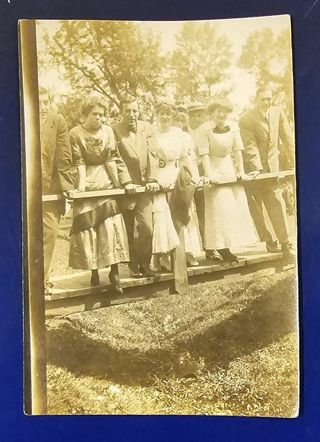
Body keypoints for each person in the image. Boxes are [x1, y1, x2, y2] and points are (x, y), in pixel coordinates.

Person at [68, 95, 134, 293]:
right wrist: (81, 187)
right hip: (86, 181)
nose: (99, 118)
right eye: (95, 114)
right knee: (89, 229)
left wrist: (118, 185)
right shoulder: (75, 133)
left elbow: (111, 159)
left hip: (105, 182)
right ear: (85, 114)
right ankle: (94, 271)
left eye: (102, 115)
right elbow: (79, 161)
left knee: (111, 228)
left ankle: (115, 273)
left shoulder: (107, 132)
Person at [196, 97, 258, 262]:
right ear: (212, 113)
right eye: (218, 111)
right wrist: (210, 176)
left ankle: (230, 245)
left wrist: (241, 171)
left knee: (232, 209)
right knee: (219, 210)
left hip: (229, 168)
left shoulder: (233, 127)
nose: (221, 114)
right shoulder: (204, 130)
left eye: (224, 111)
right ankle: (222, 248)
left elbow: (237, 151)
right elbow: (204, 154)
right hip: (214, 170)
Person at [239, 87, 295, 257]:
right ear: (256, 99)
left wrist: (295, 160)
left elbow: (288, 138)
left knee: (277, 201)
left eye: (269, 99)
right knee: (257, 207)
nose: (266, 102)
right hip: (253, 169)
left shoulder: (278, 113)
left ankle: (285, 242)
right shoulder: (246, 119)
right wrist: (257, 169)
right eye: (263, 99)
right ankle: (268, 241)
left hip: (272, 167)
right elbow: (250, 146)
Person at [152, 100, 203, 271]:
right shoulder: (151, 134)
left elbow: (186, 158)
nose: (165, 117)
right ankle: (164, 255)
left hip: (178, 175)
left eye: (168, 113)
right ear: (156, 115)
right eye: (161, 113)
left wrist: (194, 177)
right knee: (163, 216)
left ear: (172, 115)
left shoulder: (179, 134)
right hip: (160, 175)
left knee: (184, 211)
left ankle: (188, 252)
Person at [113, 96, 160, 278]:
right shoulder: (114, 130)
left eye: (135, 110)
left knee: (147, 227)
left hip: (145, 187)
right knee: (128, 228)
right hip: (127, 188)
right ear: (121, 112)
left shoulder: (147, 128)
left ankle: (145, 263)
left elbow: (153, 155)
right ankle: (132, 266)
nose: (131, 114)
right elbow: (116, 158)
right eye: (127, 111)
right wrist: (126, 181)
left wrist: (152, 179)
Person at [39, 87, 74, 293]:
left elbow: (63, 156)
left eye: (46, 102)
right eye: (38, 102)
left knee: (49, 233)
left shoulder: (57, 121)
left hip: (49, 190)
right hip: (22, 190)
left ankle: (40, 281)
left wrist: (67, 185)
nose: (43, 107)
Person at [188, 102, 222, 262]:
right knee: (187, 213)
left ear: (205, 116)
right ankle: (188, 251)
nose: (197, 118)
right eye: (193, 115)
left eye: (200, 115)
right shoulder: (183, 133)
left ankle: (210, 247)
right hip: (187, 174)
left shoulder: (209, 131)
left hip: (204, 173)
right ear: (189, 117)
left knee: (206, 211)